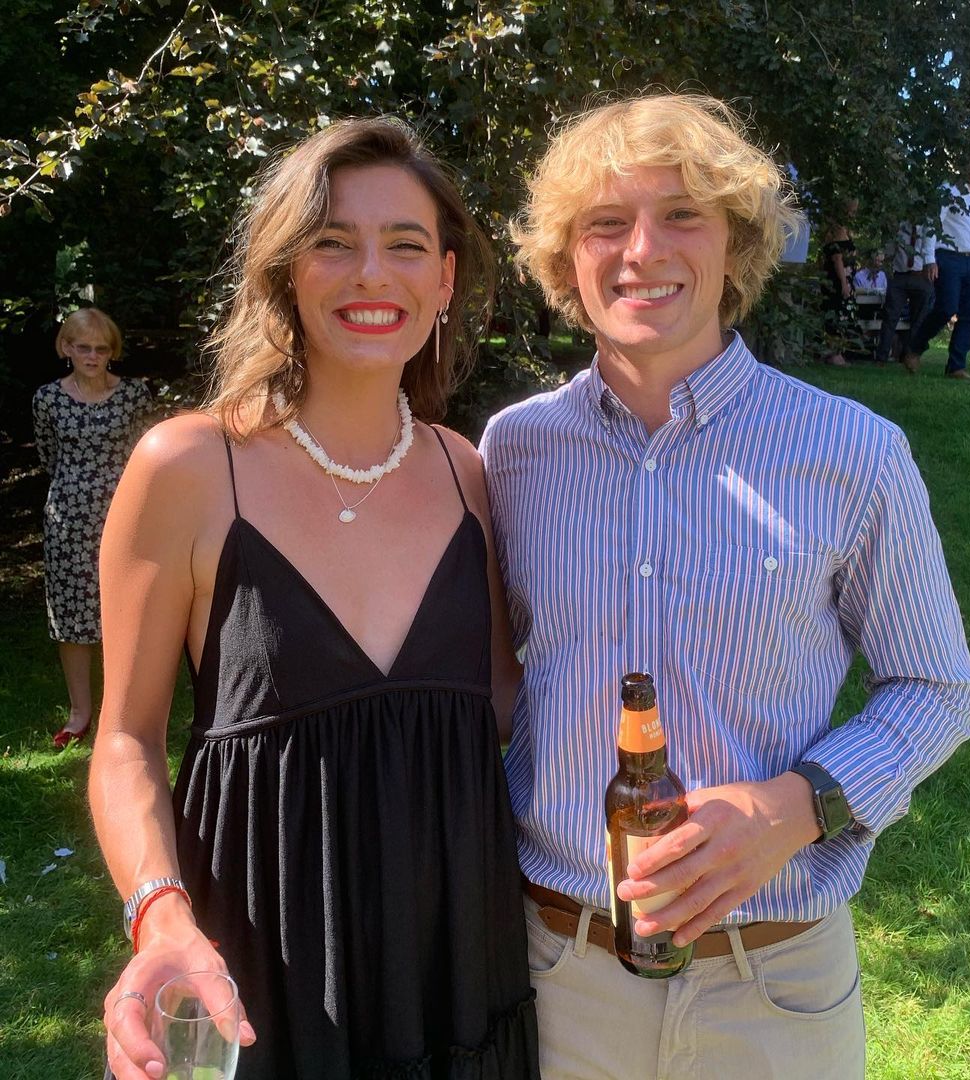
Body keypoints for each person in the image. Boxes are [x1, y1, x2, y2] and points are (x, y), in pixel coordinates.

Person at [480, 93, 970, 1079]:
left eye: (682, 215)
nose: (643, 250)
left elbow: (936, 688)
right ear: (566, 259)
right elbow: (489, 681)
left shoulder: (852, 452)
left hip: (774, 987)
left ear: (736, 244)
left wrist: (797, 806)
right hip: (557, 977)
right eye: (607, 222)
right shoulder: (515, 453)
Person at [91, 118, 540, 1080]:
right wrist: (159, 914)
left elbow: (507, 706)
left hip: (457, 963)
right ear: (287, 271)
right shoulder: (189, 467)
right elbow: (124, 740)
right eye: (334, 242)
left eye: (405, 246)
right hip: (265, 974)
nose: (372, 273)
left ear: (445, 281)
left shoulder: (468, 474)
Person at [31, 307, 155, 748]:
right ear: (66, 347)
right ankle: (80, 711)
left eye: (101, 348)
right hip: (67, 521)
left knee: (129, 610)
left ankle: (124, 711)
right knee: (71, 617)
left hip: (127, 513)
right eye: (83, 347)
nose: (92, 356)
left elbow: (148, 453)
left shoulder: (134, 396)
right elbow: (48, 456)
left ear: (112, 352)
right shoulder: (47, 399)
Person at [902, 169, 970, 381]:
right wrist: (929, 258)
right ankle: (915, 347)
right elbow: (932, 223)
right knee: (946, 307)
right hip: (949, 257)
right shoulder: (947, 190)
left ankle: (956, 366)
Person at [874, 220, 936, 365]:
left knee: (918, 319)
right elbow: (889, 251)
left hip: (921, 276)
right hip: (900, 276)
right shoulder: (899, 226)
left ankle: (909, 355)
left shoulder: (929, 226)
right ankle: (882, 357)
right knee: (890, 317)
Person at [819, 196, 860, 366]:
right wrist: (844, 283)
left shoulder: (841, 230)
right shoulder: (837, 232)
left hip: (843, 280)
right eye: (853, 211)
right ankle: (834, 353)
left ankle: (837, 351)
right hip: (837, 283)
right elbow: (837, 259)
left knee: (841, 315)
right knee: (837, 314)